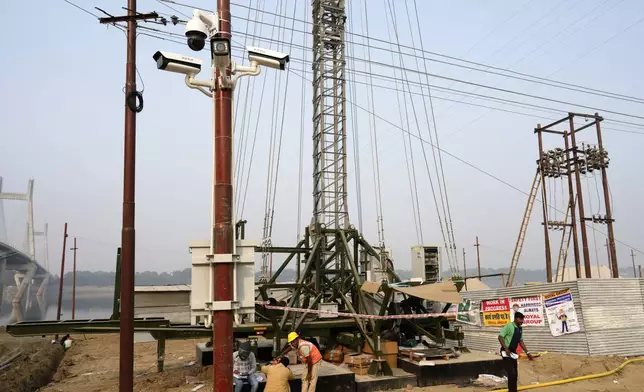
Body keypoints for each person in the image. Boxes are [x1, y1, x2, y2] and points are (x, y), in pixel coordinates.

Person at [498, 311, 534, 392]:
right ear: (516, 318)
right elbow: (500, 337)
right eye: (521, 319)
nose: (522, 321)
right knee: (512, 373)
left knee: (515, 374)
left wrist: (528, 353)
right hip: (505, 352)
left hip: (513, 353)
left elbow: (520, 341)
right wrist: (506, 348)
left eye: (523, 319)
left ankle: (514, 390)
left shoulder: (520, 329)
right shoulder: (509, 326)